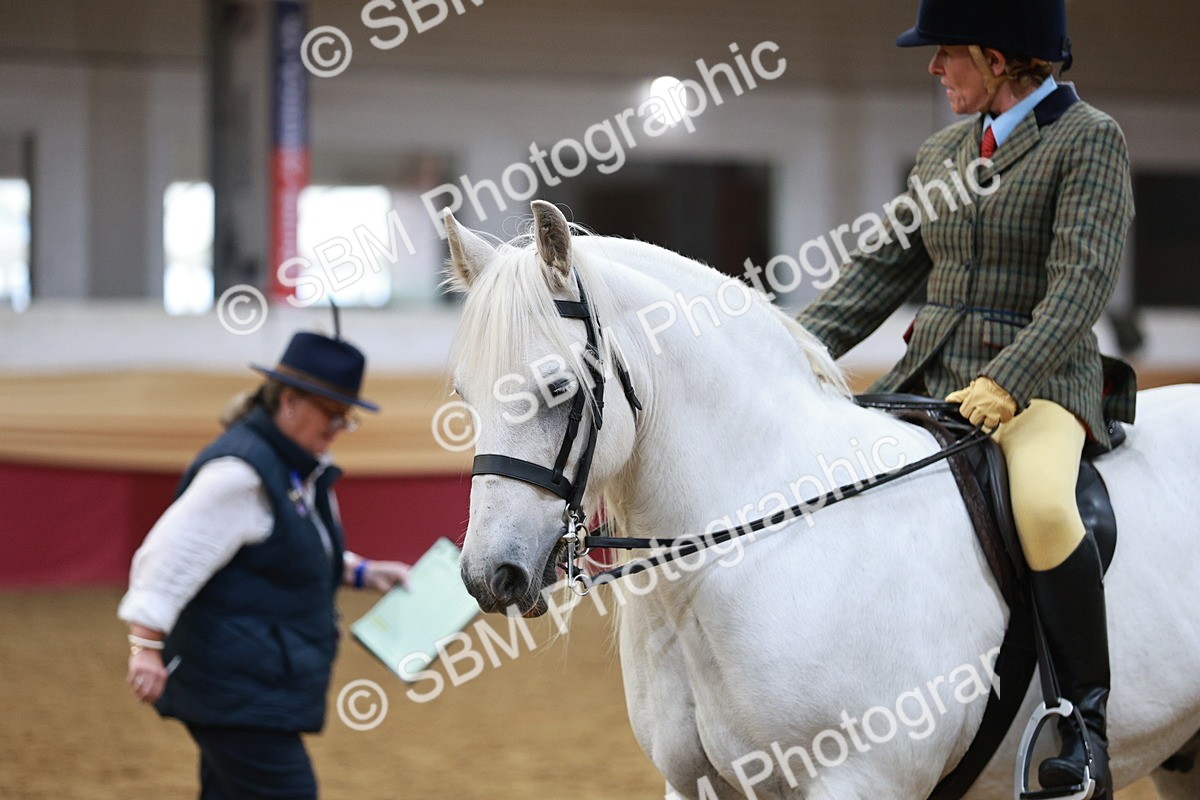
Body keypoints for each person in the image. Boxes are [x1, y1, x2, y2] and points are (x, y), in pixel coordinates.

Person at [794, 1, 1136, 797]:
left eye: (946, 51)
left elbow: (1080, 283)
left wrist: (1009, 380)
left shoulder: (1090, 141)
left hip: (1044, 379)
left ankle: (1084, 729)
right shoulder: (944, 149)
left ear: (997, 55)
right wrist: (786, 354)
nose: (933, 67)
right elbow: (882, 271)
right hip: (931, 375)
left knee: (1046, 508)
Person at [119, 330, 411, 799]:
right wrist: (144, 648)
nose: (337, 427)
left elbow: (286, 549)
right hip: (235, 690)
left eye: (346, 418)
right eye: (331, 414)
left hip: (254, 685)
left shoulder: (299, 467)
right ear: (290, 401)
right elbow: (166, 556)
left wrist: (360, 571)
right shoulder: (242, 473)